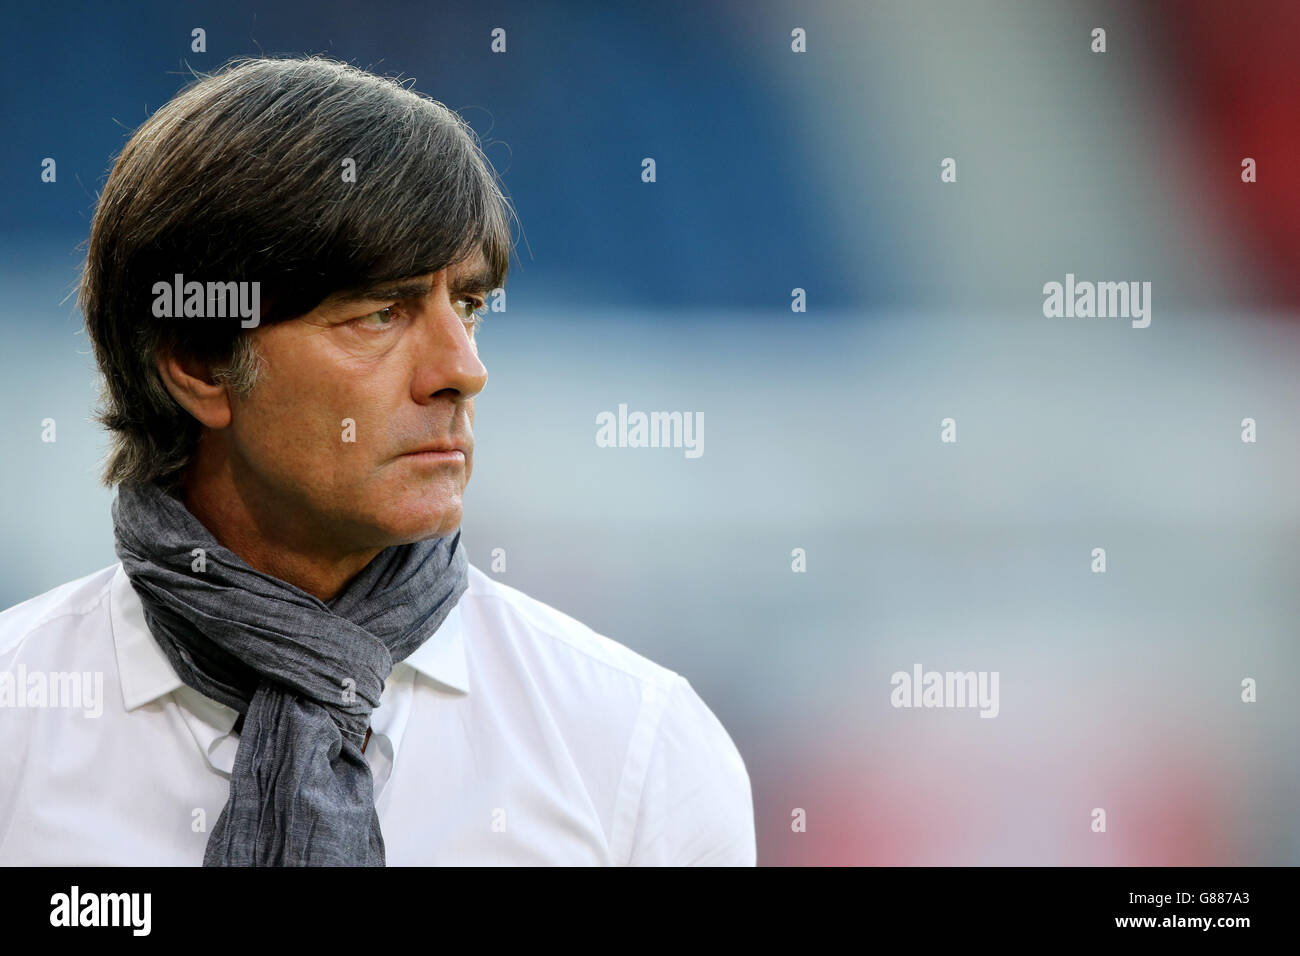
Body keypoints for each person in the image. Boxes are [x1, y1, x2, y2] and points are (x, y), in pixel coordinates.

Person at [0, 55, 754, 866]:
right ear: (198, 362)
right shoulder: (17, 719)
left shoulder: (636, 746)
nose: (462, 368)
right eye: (379, 314)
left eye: (468, 307)